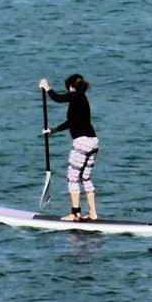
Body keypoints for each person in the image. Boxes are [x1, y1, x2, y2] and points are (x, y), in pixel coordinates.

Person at [41, 74, 98, 221]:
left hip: (82, 143)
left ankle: (75, 214)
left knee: (72, 178)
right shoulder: (82, 100)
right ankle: (93, 213)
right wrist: (53, 130)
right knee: (85, 178)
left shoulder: (75, 96)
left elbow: (57, 98)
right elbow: (71, 121)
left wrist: (47, 87)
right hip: (93, 142)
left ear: (71, 87)